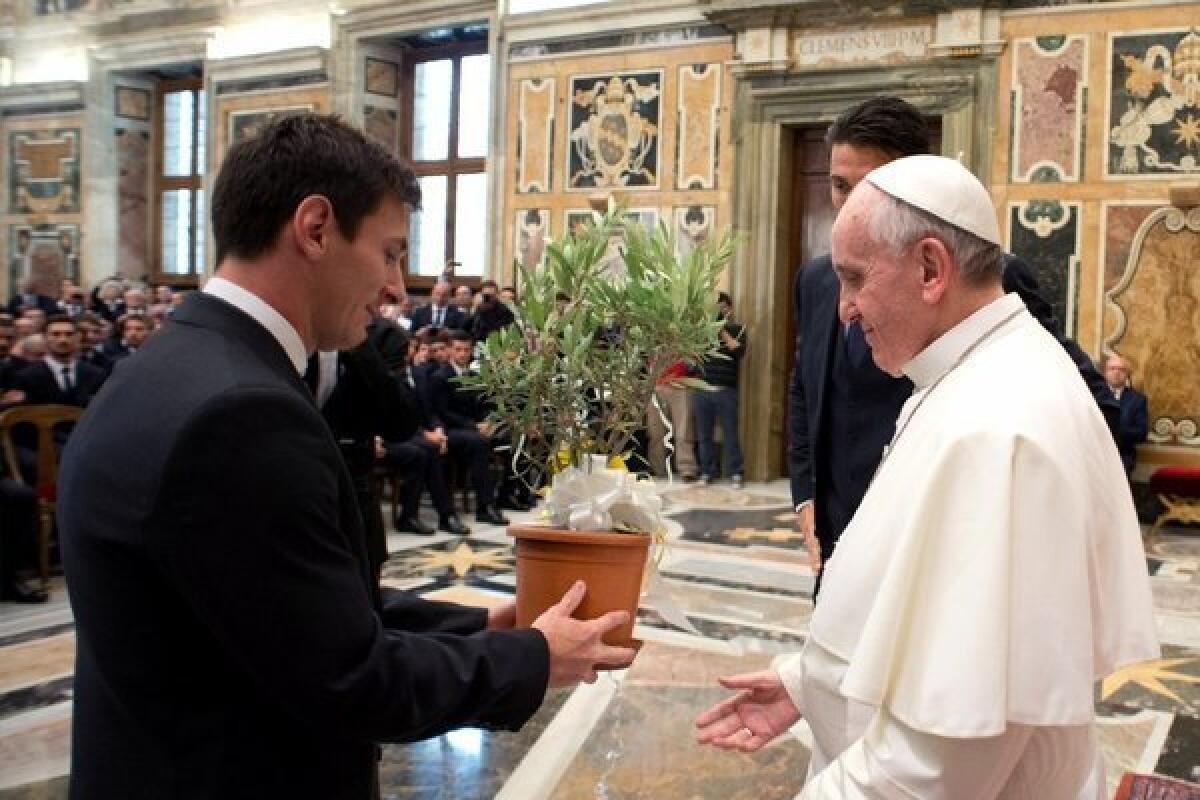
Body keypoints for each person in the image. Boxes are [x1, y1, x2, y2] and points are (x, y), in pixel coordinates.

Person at [57, 114, 635, 799]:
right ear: (315, 227)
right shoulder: (240, 414)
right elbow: (349, 678)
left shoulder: (181, 361)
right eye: (390, 252)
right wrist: (533, 660)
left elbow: (288, 609)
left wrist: (481, 623)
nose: (397, 288)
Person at [697, 155, 1158, 799]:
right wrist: (810, 684)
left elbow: (936, 761)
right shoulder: (966, 370)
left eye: (855, 280)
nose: (845, 312)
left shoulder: (1003, 426)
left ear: (931, 268)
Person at [788, 96, 1119, 599]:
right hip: (840, 559)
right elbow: (803, 387)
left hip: (936, 567)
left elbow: (1089, 411)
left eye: (869, 186)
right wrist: (805, 495)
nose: (849, 204)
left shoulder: (987, 279)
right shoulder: (815, 280)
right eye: (839, 186)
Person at [694, 291, 746, 488]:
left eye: (722, 307)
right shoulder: (703, 332)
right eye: (715, 309)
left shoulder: (737, 329)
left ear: (729, 310)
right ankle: (707, 472)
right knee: (704, 435)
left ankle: (736, 473)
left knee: (731, 433)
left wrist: (721, 329)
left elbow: (738, 350)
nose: (718, 311)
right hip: (703, 390)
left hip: (727, 391)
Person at [1103, 353, 1149, 476]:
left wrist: (1116, 432)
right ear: (1105, 372)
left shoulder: (1138, 400)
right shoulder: (1093, 396)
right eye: (1112, 369)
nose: (1116, 372)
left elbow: (1141, 433)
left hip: (1122, 455)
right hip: (1095, 454)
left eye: (1121, 369)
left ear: (1127, 374)